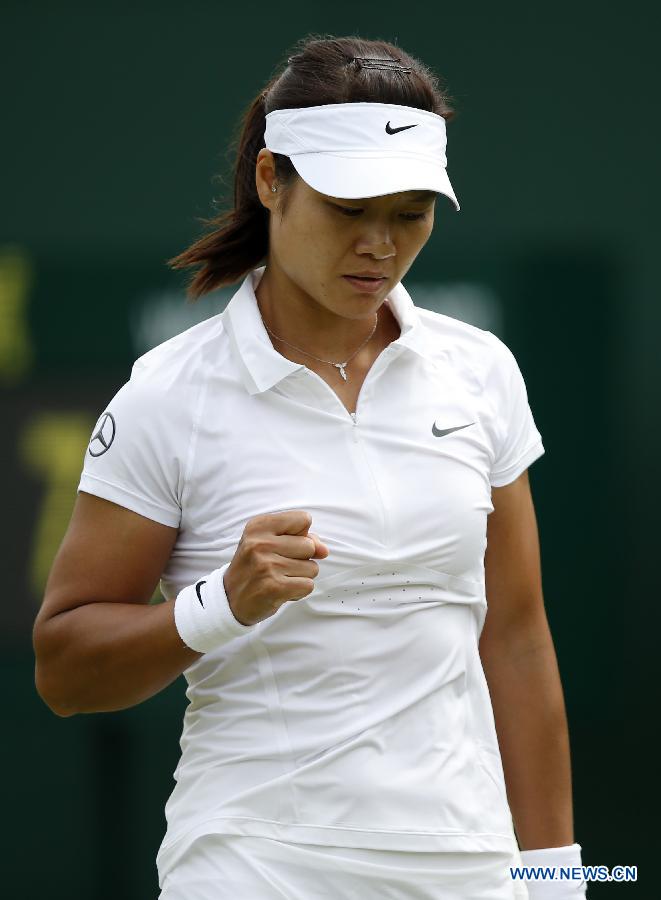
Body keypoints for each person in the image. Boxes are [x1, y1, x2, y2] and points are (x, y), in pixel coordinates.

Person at [32, 35, 587, 900]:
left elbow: (515, 639)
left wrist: (555, 877)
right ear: (270, 183)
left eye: (410, 213)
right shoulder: (168, 396)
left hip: (467, 866)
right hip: (252, 864)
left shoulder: (481, 371)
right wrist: (218, 605)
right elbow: (64, 669)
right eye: (348, 208)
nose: (379, 245)